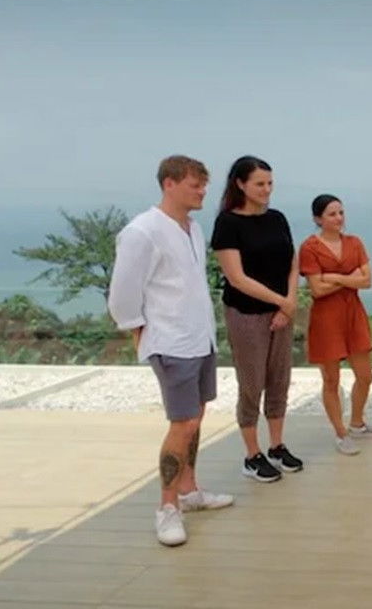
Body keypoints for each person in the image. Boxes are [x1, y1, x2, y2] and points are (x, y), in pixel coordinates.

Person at [108, 155, 234, 547]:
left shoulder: (192, 228)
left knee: (196, 417)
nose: (203, 192)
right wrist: (139, 331)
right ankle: (167, 507)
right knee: (183, 423)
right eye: (195, 185)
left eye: (204, 185)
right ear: (169, 184)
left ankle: (189, 490)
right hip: (171, 342)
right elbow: (123, 295)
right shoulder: (142, 232)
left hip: (200, 338)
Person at [212, 156, 302, 482]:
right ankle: (252, 455)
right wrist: (282, 302)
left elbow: (293, 262)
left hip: (281, 313)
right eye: (259, 184)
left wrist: (288, 305)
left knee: (279, 380)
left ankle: (277, 446)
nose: (266, 189)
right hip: (246, 314)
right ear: (240, 184)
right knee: (252, 383)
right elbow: (236, 278)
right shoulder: (227, 224)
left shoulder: (277, 218)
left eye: (270, 183)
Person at [299, 194, 372, 456]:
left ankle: (357, 423)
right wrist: (350, 277)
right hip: (326, 318)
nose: (339, 218)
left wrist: (334, 276)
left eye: (341, 213)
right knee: (331, 380)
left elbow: (367, 281)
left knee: (366, 376)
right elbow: (317, 289)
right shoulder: (310, 248)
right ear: (318, 219)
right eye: (332, 214)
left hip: (353, 314)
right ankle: (340, 432)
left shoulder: (354, 243)